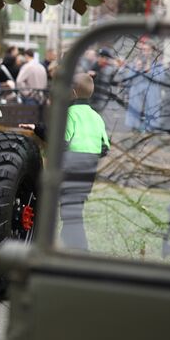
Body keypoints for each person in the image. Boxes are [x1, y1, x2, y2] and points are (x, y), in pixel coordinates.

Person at [58, 72, 109, 251]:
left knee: (69, 210)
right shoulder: (97, 117)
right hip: (89, 167)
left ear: (72, 93)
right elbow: (105, 147)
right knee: (75, 206)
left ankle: (79, 248)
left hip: (71, 165)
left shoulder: (70, 113)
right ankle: (68, 241)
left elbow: (62, 140)